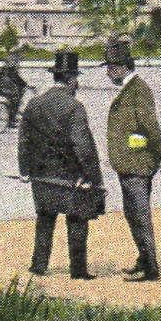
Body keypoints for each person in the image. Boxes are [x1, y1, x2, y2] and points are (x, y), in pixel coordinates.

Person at [17, 50, 103, 279]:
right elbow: (82, 146)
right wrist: (92, 177)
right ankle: (78, 270)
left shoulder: (34, 104)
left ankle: (38, 266)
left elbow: (24, 139)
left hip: (41, 176)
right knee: (77, 221)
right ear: (72, 80)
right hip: (68, 177)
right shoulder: (74, 107)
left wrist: (24, 170)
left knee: (45, 220)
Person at [104, 38, 161, 281]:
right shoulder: (131, 89)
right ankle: (143, 259)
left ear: (120, 68)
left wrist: (155, 153)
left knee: (140, 215)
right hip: (130, 164)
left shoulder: (138, 90)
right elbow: (137, 132)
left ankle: (150, 268)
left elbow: (149, 127)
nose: (108, 74)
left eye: (109, 68)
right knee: (133, 214)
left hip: (137, 166)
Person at [0, 50, 28, 129]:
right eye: (18, 60)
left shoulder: (9, 67)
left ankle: (13, 116)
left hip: (5, 87)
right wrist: (24, 84)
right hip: (5, 88)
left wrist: (23, 85)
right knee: (15, 101)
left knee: (17, 98)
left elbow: (16, 78)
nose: (19, 62)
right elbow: (15, 77)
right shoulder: (10, 67)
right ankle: (11, 121)